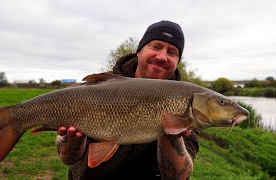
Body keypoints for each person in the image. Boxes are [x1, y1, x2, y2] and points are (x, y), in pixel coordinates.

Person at [56, 20, 199, 179]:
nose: (162, 57)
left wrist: (173, 135)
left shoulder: (185, 101)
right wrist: (73, 141)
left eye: (172, 52)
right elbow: (67, 158)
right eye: (156, 46)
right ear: (139, 51)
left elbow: (178, 177)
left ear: (177, 62)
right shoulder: (99, 88)